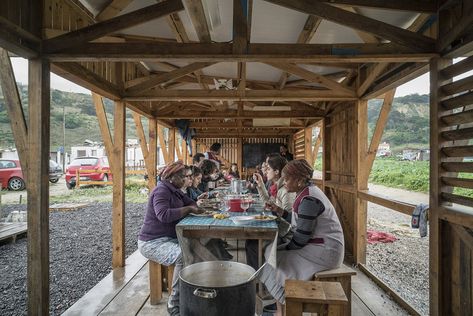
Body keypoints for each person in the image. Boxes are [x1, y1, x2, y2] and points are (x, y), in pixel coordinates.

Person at [258, 159, 344, 315]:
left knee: (275, 261)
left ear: (299, 180)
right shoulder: (305, 192)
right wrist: (279, 210)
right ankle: (282, 304)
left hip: (324, 252)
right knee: (272, 255)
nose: (283, 182)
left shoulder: (309, 199)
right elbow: (300, 219)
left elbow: (301, 238)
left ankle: (285, 305)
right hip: (319, 246)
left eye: (287, 179)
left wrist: (281, 248)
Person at [137, 161, 204, 316]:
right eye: (184, 177)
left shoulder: (175, 189)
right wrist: (188, 209)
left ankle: (198, 288)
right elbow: (163, 215)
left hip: (168, 238)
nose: (187, 180)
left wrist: (192, 206)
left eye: (188, 177)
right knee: (183, 255)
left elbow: (192, 202)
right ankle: (174, 304)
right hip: (152, 242)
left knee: (200, 243)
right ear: (172, 177)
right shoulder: (161, 191)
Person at [246, 155, 295, 270]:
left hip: (285, 235)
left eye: (268, 169)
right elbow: (268, 203)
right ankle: (255, 274)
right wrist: (260, 185)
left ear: (277, 171)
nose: (265, 171)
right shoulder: (277, 187)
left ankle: (258, 277)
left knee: (252, 244)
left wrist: (274, 217)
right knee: (250, 241)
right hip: (279, 229)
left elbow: (290, 221)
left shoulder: (285, 191)